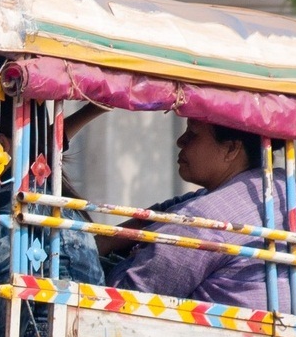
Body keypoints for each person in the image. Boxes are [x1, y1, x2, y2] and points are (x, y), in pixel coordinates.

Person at [102, 118, 272, 309]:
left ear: (231, 149)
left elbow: (130, 295)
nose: (180, 141)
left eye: (193, 134)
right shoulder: (278, 188)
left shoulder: (201, 219)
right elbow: (161, 212)